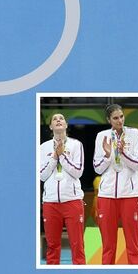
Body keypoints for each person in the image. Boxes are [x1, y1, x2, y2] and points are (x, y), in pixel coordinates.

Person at [92, 103, 138, 264]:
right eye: (115, 118)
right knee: (108, 245)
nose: (120, 120)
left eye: (121, 116)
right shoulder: (101, 136)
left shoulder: (135, 134)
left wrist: (123, 152)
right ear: (109, 120)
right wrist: (108, 155)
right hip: (107, 195)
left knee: (133, 244)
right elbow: (97, 168)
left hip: (129, 195)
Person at [38, 112, 86, 264]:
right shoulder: (43, 147)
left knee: (77, 245)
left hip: (72, 200)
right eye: (54, 119)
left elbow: (78, 172)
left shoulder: (76, 145)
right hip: (50, 202)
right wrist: (54, 157)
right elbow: (42, 175)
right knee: (52, 246)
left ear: (66, 125)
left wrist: (62, 156)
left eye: (61, 118)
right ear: (51, 127)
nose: (58, 120)